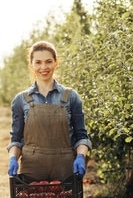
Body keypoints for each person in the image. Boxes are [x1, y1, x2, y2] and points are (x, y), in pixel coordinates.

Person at [7, 41, 92, 182]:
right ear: (31, 65)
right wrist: (13, 158)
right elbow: (16, 140)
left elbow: (81, 136)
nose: (43, 67)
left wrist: (80, 156)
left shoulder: (71, 97)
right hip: (31, 171)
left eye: (48, 61)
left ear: (56, 63)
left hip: (65, 171)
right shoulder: (21, 100)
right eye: (38, 62)